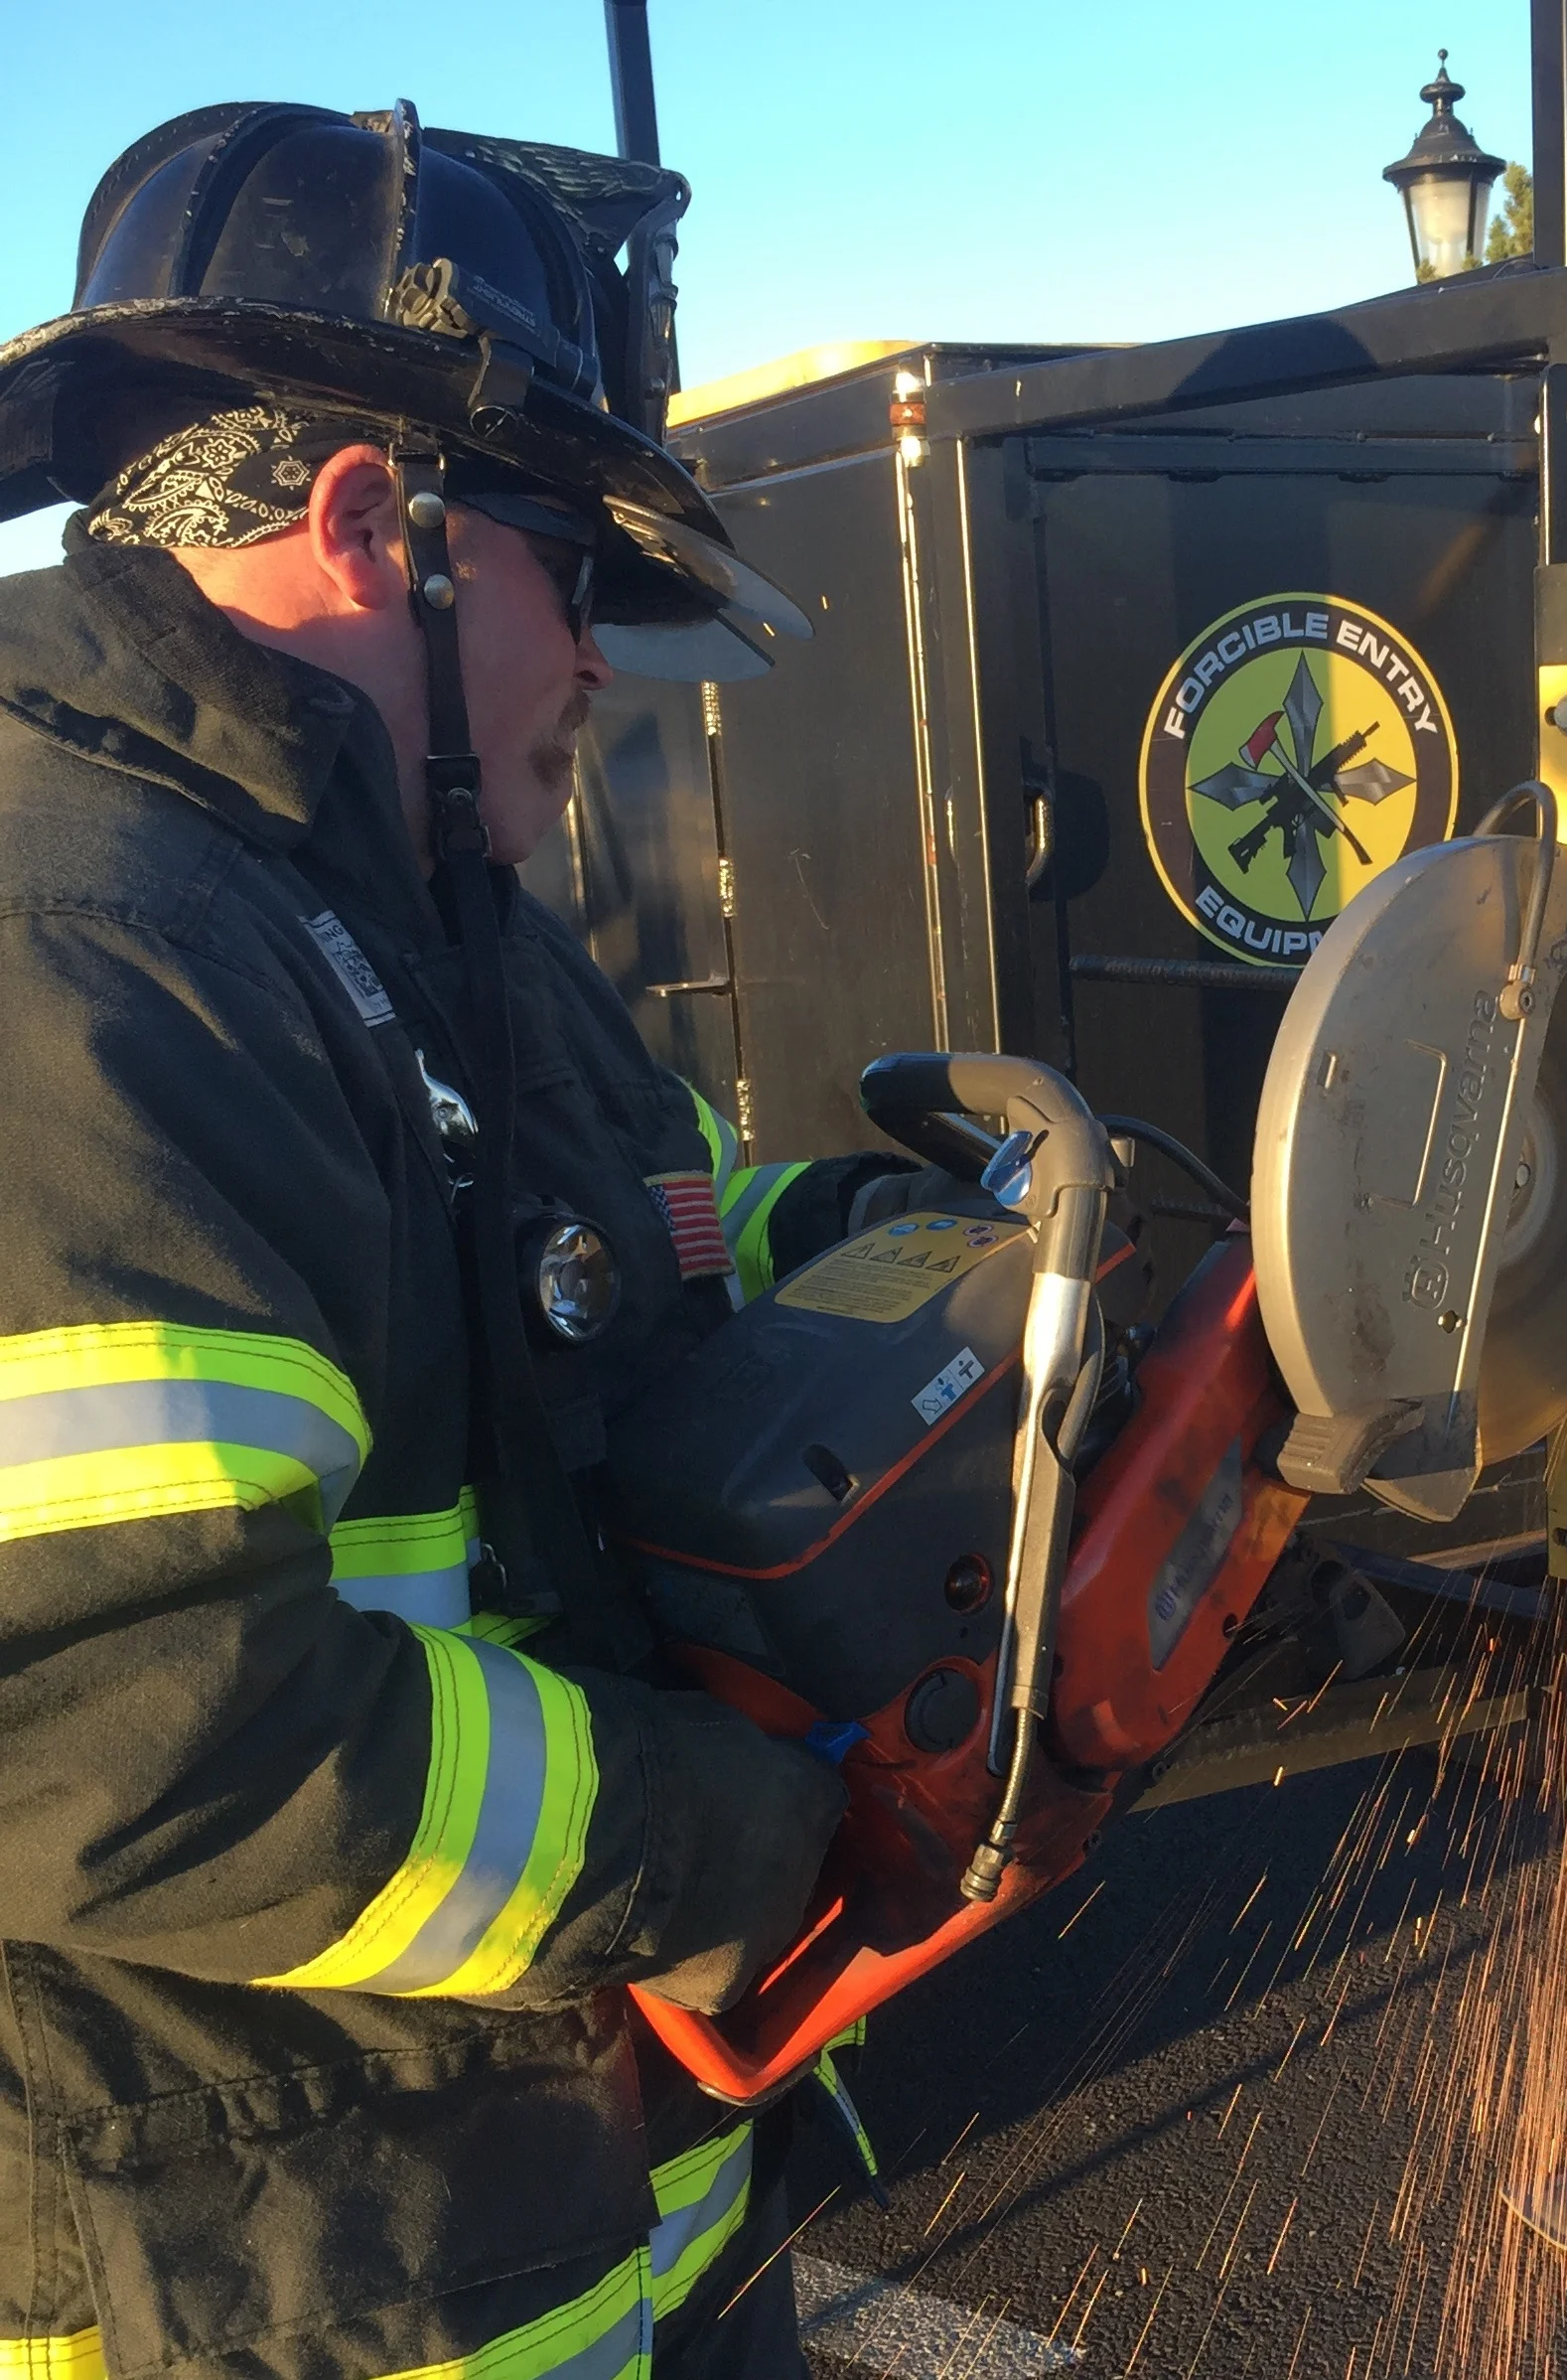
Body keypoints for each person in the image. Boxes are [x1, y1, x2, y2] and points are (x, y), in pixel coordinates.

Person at [0, 100, 911, 2380]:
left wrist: (879, 1241)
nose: (601, 664)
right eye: (570, 575)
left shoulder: (412, 905)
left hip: (617, 2222)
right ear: (370, 518)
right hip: (304, 2293)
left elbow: (620, 1250)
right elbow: (141, 1741)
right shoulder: (89, 966)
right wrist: (726, 1852)